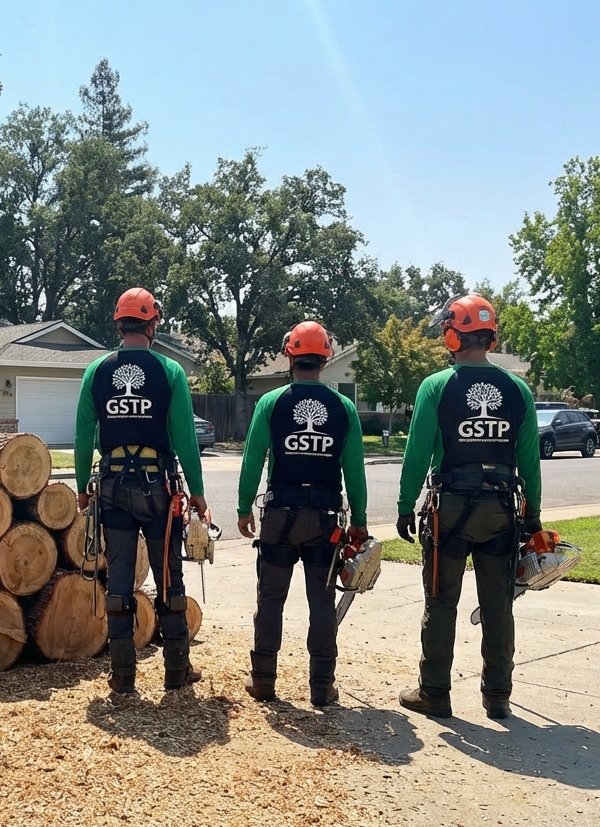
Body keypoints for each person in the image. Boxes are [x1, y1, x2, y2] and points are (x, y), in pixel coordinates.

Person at [395, 294, 542, 721]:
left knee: (441, 602)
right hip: (501, 510)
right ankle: (497, 695)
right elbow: (528, 459)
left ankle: (434, 691)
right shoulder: (518, 390)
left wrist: (406, 506)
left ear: (451, 336)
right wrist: (531, 515)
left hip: (449, 513)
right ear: (490, 338)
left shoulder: (436, 386)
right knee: (499, 605)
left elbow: (417, 452)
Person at [74, 287, 208, 694]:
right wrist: (198, 492)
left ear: (119, 324)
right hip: (158, 489)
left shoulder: (96, 371)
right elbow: (185, 439)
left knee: (117, 581)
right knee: (169, 579)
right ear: (153, 324)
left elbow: (82, 435)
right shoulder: (170, 372)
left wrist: (83, 487)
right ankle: (176, 671)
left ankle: (122, 676)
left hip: (113, 488)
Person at [237, 321, 368, 706]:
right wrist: (358, 520)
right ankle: (322, 687)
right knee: (322, 601)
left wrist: (245, 507)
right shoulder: (343, 408)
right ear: (325, 358)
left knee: (271, 598)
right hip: (324, 518)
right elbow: (354, 471)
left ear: (290, 355)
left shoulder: (271, 403)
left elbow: (253, 460)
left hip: (280, 514)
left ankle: (263, 681)